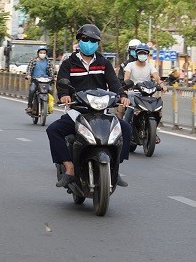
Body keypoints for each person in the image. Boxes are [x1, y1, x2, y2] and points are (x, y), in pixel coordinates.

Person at [46, 23, 132, 189]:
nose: (89, 43)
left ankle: (116, 169)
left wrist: (122, 96)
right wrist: (64, 95)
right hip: (77, 112)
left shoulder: (103, 62)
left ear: (98, 43)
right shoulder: (68, 63)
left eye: (93, 40)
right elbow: (62, 84)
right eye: (85, 39)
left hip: (101, 112)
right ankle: (69, 168)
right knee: (53, 130)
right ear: (79, 41)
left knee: (126, 129)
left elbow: (114, 83)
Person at [122, 43, 164, 144]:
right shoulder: (130, 65)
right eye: (140, 52)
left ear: (147, 55)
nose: (142, 54)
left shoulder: (150, 67)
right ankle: (124, 133)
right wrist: (127, 84)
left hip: (147, 94)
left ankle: (153, 132)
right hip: (133, 93)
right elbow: (126, 77)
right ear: (136, 54)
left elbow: (156, 76)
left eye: (144, 53)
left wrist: (161, 84)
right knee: (130, 111)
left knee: (157, 111)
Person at [24, 45, 54, 114]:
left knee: (50, 90)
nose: (42, 54)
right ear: (38, 53)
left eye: (44, 53)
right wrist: (28, 75)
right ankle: (29, 106)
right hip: (35, 80)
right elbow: (29, 69)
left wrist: (53, 77)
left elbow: (51, 71)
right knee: (32, 90)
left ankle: (49, 106)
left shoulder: (48, 62)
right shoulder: (33, 61)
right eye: (41, 52)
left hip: (46, 81)